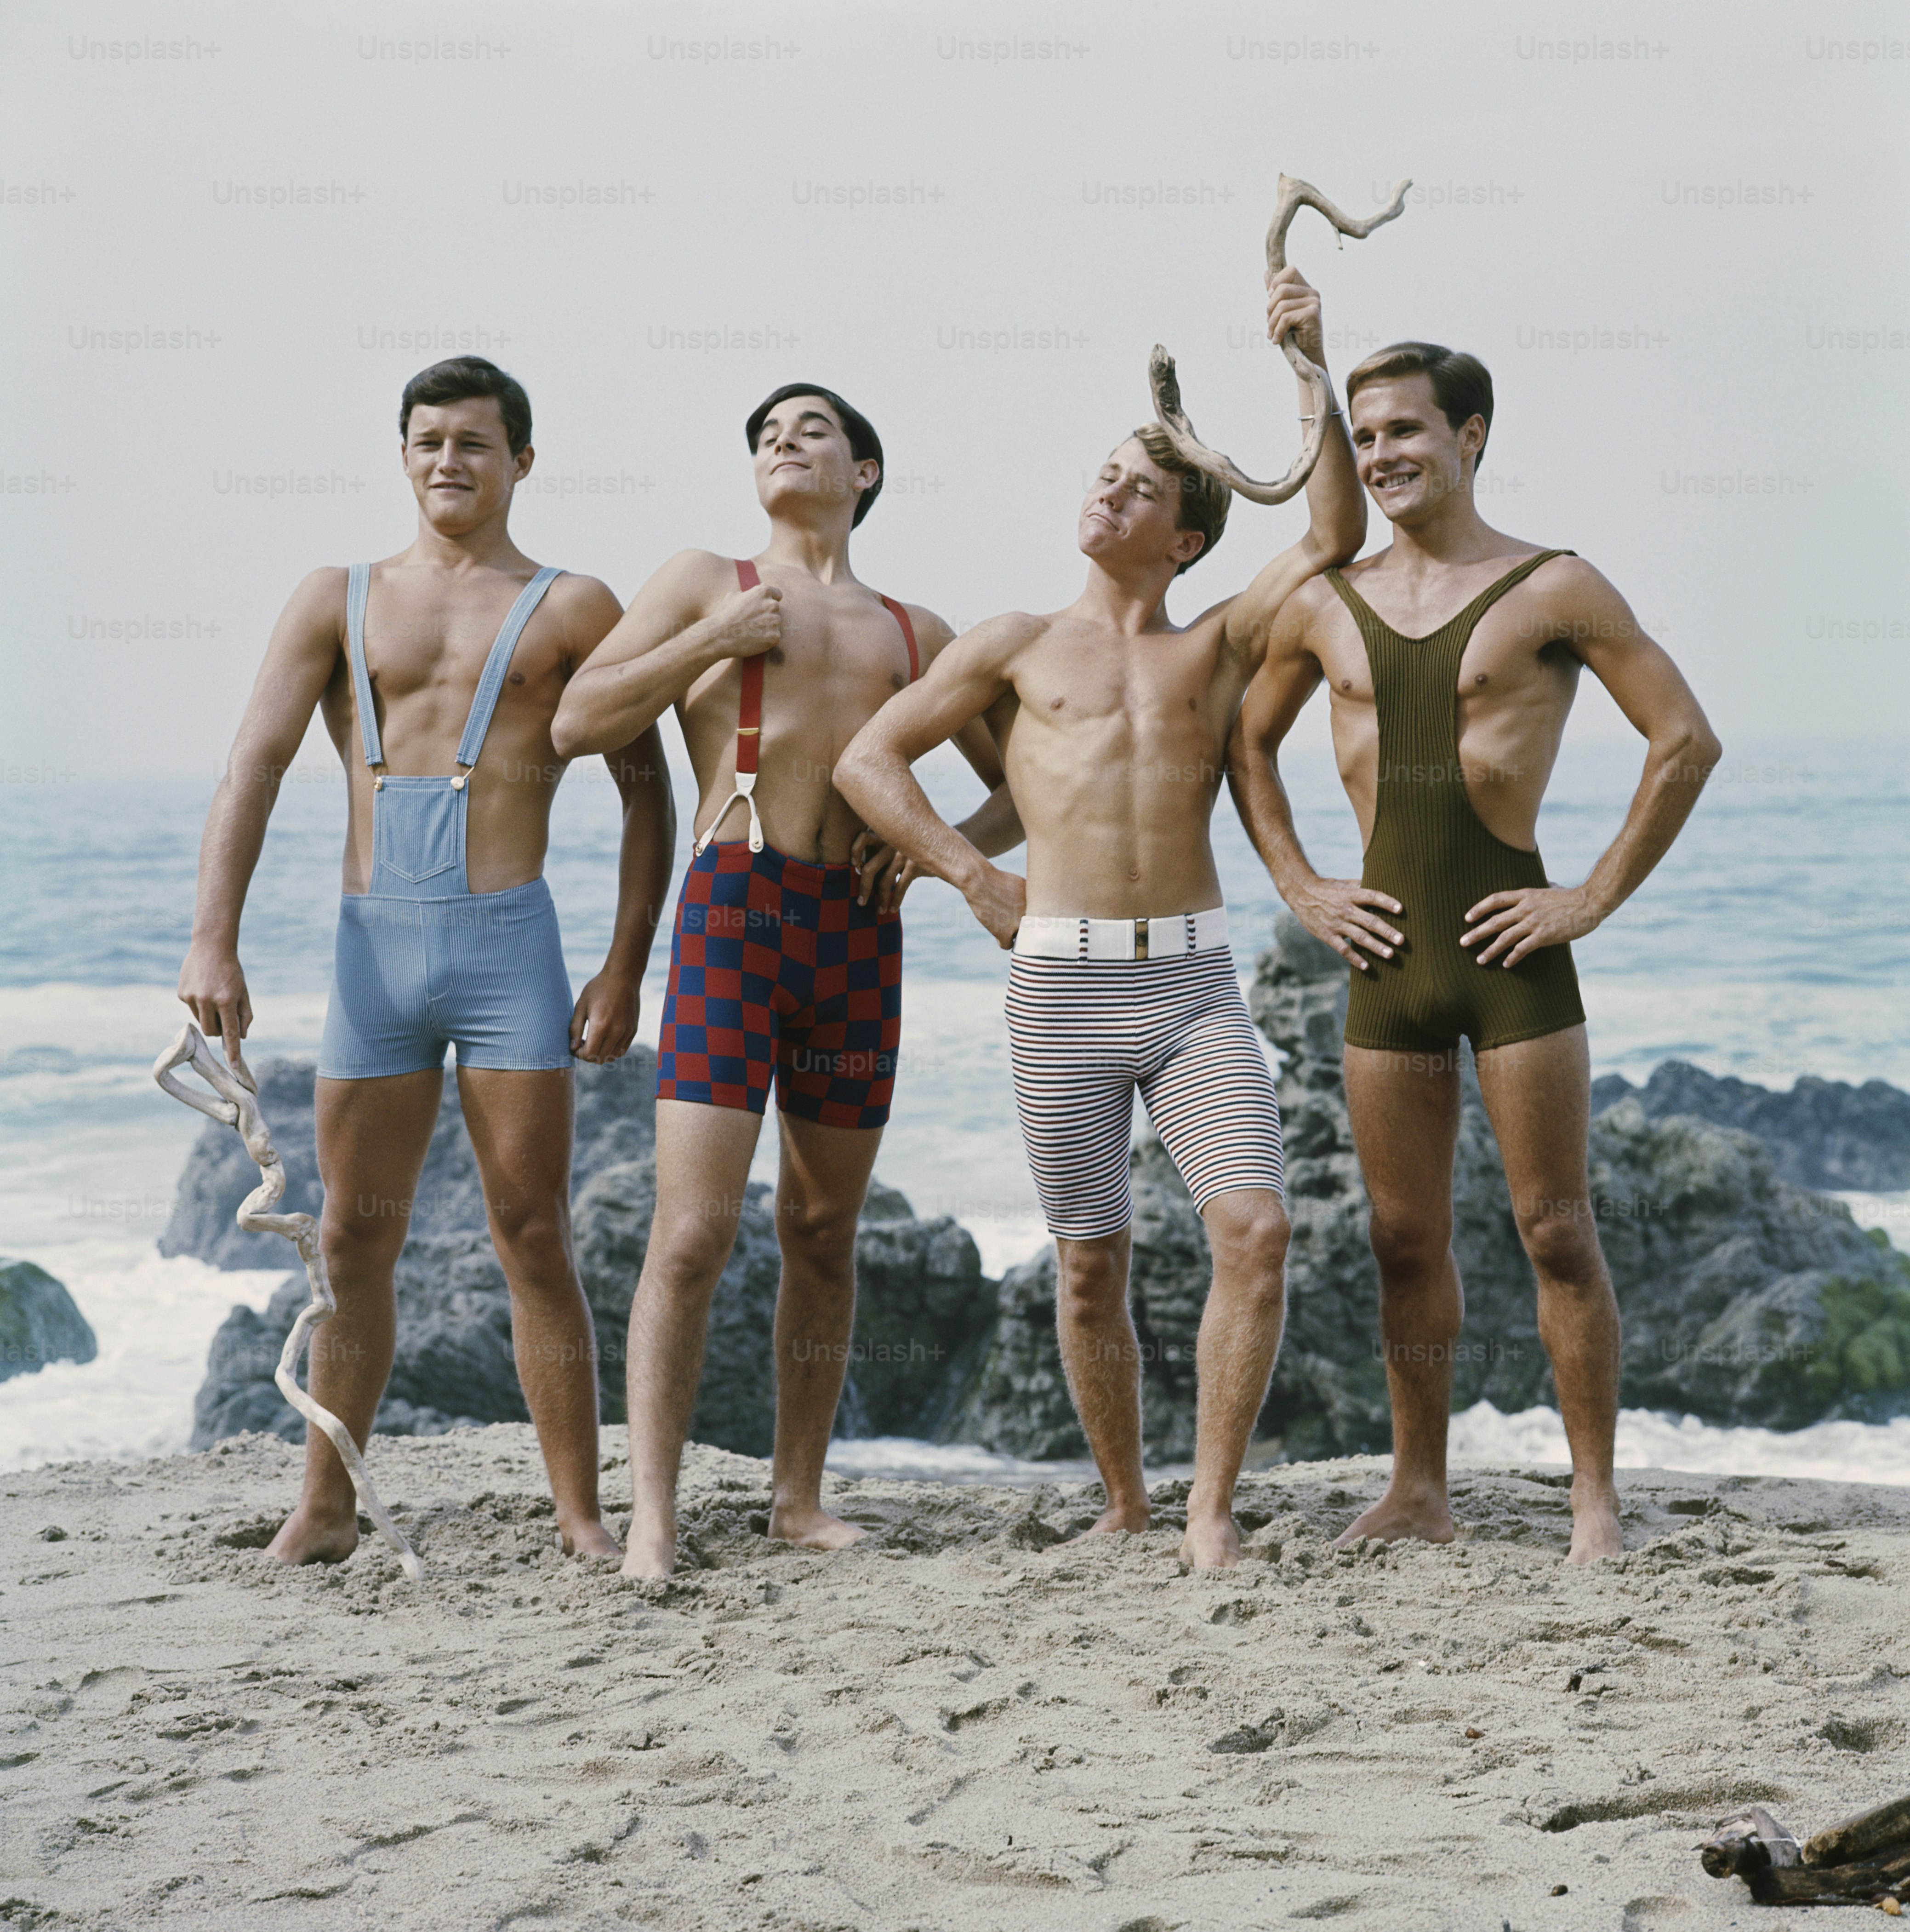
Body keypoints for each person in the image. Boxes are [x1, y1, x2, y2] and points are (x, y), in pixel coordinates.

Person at [833, 269, 1364, 1568]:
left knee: (1256, 1228)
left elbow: (1332, 535)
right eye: (1103, 472)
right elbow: (868, 761)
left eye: (1139, 486)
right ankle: (1123, 1501)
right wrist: (971, 874)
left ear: (1184, 538)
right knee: (1087, 1263)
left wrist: (1310, 366)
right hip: (1057, 986)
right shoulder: (1011, 642)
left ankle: (1206, 1508)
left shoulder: (1217, 645)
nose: (1108, 490)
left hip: (1190, 985)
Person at [1226, 341, 1722, 1562]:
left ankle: (1593, 1496)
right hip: (1384, 959)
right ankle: (1417, 1488)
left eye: (1405, 428)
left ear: (1471, 437)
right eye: (1365, 433)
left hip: (1513, 952)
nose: (1383, 453)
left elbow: (1682, 740)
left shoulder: (1554, 585)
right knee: (1403, 1239)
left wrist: (1587, 898)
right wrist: (1300, 886)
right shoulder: (1319, 600)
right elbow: (1244, 745)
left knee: (1553, 1225)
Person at [177, 356, 674, 1566]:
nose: (449, 459)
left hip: (511, 947)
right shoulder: (333, 597)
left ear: (522, 460)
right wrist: (211, 933)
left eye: (474, 441)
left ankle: (579, 1513)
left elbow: (649, 791)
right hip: (372, 955)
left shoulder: (575, 607)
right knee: (353, 1237)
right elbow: (254, 762)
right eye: (428, 440)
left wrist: (622, 967)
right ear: (403, 455)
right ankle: (326, 1504)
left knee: (534, 1233)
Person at [551, 383, 1020, 1578]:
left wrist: (929, 847)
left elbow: (1035, 774)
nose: (780, 441)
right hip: (731, 916)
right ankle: (653, 1512)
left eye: (809, 429)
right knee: (694, 1229)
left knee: (822, 1227)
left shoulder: (917, 631)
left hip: (858, 935)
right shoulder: (704, 579)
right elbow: (576, 717)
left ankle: (796, 1497)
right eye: (763, 432)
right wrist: (711, 643)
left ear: (862, 470)